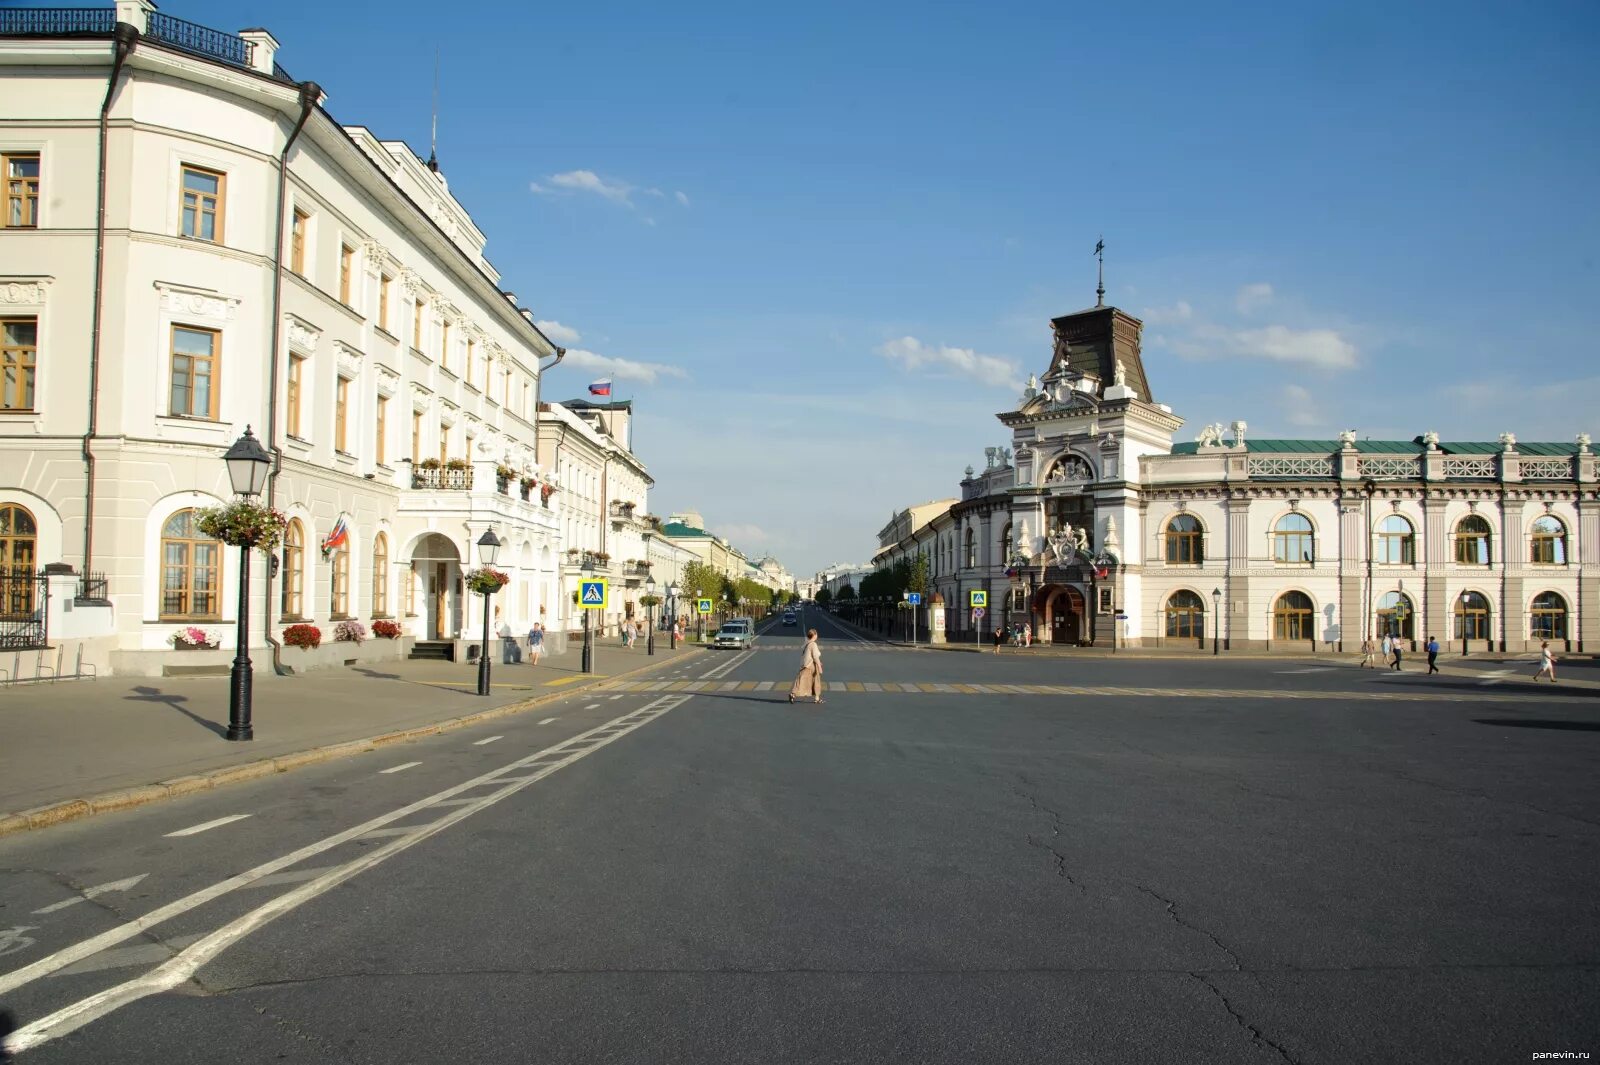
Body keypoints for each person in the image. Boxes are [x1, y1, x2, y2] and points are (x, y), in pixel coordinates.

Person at [789, 628, 824, 704]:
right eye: (816, 634)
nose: (817, 635)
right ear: (814, 635)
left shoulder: (806, 643)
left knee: (800, 680)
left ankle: (793, 694)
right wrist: (820, 667)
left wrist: (819, 662)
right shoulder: (813, 644)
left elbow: (808, 655)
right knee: (816, 681)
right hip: (811, 665)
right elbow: (815, 656)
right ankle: (817, 698)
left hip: (805, 665)